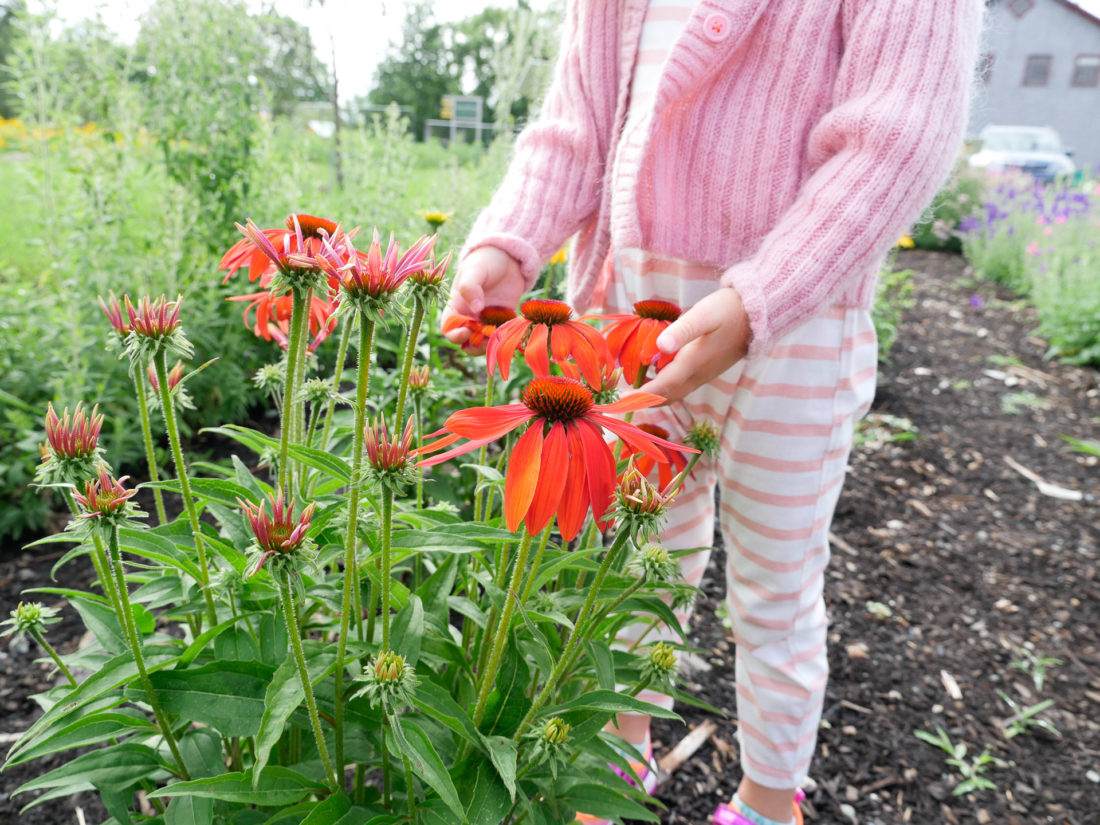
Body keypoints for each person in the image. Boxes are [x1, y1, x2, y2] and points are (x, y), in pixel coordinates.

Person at [442, 1, 984, 823]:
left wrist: (760, 298)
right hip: (635, 305)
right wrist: (509, 240)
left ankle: (769, 799)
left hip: (797, 308)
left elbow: (895, 139)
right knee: (631, 558)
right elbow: (576, 123)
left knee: (775, 582)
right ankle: (617, 761)